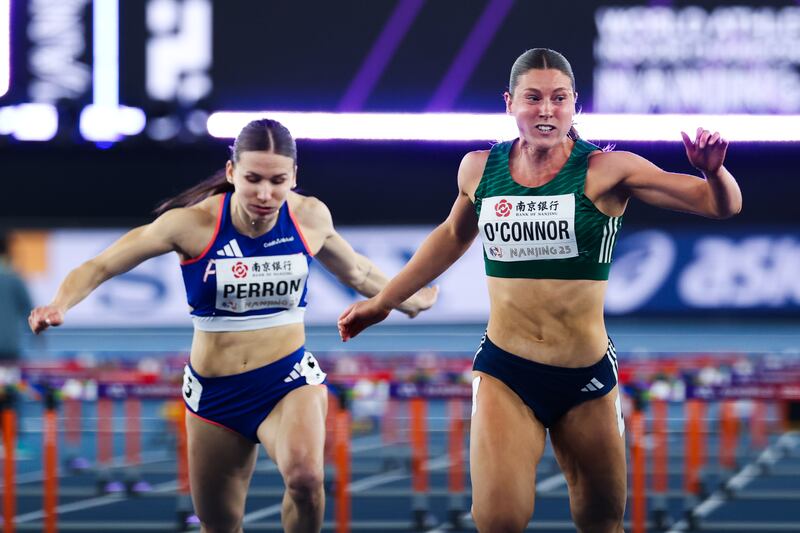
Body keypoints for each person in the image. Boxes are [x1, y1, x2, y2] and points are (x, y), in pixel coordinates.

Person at [338, 48, 742, 533]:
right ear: (510, 103)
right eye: (533, 98)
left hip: (586, 378)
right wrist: (382, 303)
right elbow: (450, 237)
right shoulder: (478, 170)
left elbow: (721, 207)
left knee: (601, 520)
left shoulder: (608, 171)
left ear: (575, 106)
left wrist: (713, 172)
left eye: (558, 98)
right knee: (498, 521)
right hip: (506, 371)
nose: (546, 110)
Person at [28, 118, 438, 533]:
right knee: (220, 525)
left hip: (287, 380)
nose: (265, 193)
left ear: (294, 176)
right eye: (253, 179)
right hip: (215, 396)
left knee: (306, 479)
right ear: (231, 173)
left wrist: (409, 299)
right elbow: (101, 264)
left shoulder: (309, 217)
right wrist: (59, 304)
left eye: (278, 181)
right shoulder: (191, 224)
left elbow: (358, 271)